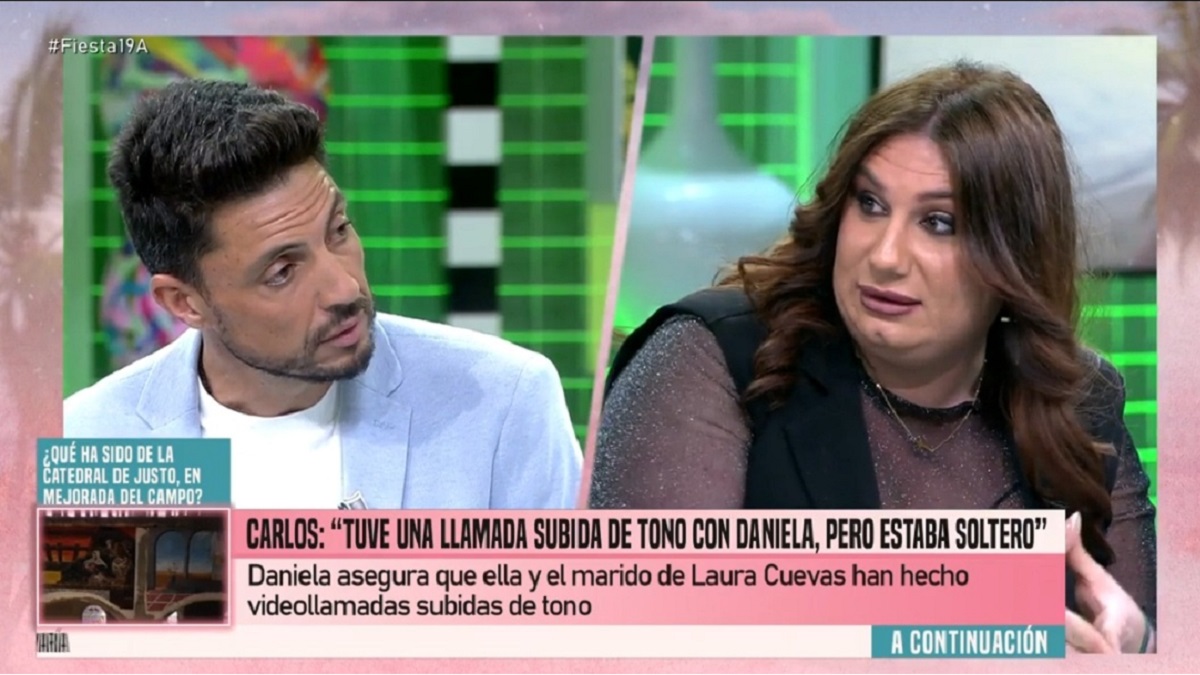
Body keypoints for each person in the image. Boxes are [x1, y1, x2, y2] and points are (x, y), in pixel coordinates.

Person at [590, 61, 1157, 654]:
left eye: (939, 222)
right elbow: (642, 630)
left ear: (1014, 253)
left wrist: (1136, 642)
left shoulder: (1079, 401)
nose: (885, 256)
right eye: (870, 203)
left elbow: (1150, 639)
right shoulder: (710, 356)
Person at [64, 79, 582, 511]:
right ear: (185, 302)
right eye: (282, 271)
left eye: (338, 230)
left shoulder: (501, 402)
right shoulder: (92, 443)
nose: (345, 288)